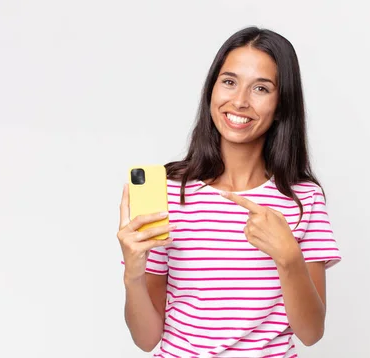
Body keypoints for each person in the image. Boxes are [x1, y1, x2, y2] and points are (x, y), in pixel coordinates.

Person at [116, 26, 342, 357]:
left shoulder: (303, 198)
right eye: (229, 82)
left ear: (281, 105)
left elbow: (310, 333)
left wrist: (289, 256)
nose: (239, 101)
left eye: (261, 88)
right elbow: (146, 339)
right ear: (212, 89)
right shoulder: (167, 192)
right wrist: (133, 275)